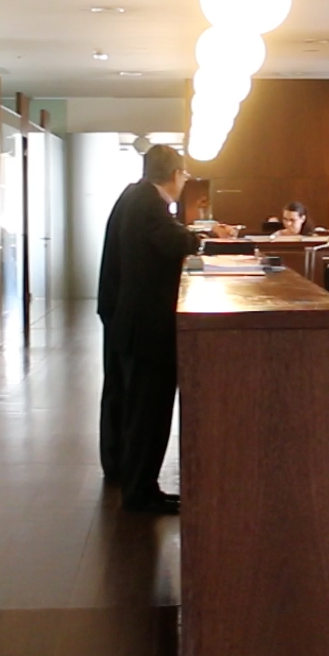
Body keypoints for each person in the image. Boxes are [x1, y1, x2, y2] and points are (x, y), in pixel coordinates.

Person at [100, 145, 215, 514]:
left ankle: (125, 473)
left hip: (128, 317)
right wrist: (200, 237)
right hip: (146, 324)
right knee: (148, 410)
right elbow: (174, 240)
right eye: (185, 175)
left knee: (129, 402)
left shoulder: (134, 195)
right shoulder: (150, 203)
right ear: (176, 174)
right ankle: (140, 492)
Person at [94, 178, 142, 487]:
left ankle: (115, 461)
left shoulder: (132, 197)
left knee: (116, 385)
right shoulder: (142, 202)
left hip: (115, 305)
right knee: (120, 386)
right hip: (120, 309)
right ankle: (116, 462)